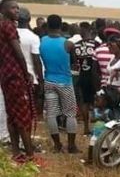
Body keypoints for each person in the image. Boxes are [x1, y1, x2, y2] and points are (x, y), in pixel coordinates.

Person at [0, 0, 36, 161]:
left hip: (5, 74)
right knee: (22, 115)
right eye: (13, 8)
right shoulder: (9, 26)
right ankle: (30, 155)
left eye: (17, 8)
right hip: (15, 74)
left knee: (12, 114)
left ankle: (16, 152)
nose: (17, 11)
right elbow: (18, 52)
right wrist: (26, 72)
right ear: (3, 10)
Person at [40, 14, 78, 153]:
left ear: (48, 25)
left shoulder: (42, 41)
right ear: (61, 25)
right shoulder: (68, 44)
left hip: (49, 80)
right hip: (65, 82)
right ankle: (71, 146)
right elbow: (74, 62)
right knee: (70, 114)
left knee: (51, 114)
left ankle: (57, 145)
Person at [73, 22, 99, 135]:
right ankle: (97, 128)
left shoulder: (76, 45)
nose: (80, 31)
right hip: (95, 76)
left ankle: (86, 128)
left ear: (85, 29)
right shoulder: (96, 44)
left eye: (80, 29)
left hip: (83, 75)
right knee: (97, 100)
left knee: (85, 102)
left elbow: (74, 63)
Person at [17, 9, 44, 113]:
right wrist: (41, 80)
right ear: (29, 19)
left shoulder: (9, 34)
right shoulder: (33, 37)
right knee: (29, 109)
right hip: (30, 77)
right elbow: (36, 60)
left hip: (11, 75)